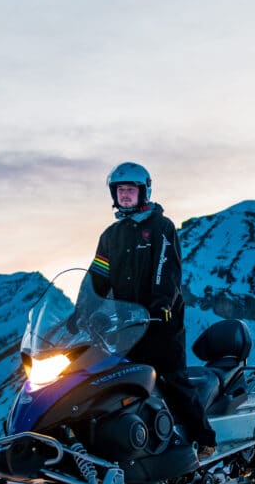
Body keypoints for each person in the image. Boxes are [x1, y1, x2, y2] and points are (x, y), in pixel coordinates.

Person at [85, 161, 216, 458]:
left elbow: (165, 269)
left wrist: (161, 304)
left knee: (171, 378)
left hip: (161, 322)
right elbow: (97, 277)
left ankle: (204, 438)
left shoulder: (161, 227)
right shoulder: (111, 236)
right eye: (121, 191)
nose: (126, 196)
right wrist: (82, 310)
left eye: (131, 190)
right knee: (120, 383)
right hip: (126, 326)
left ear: (143, 192)